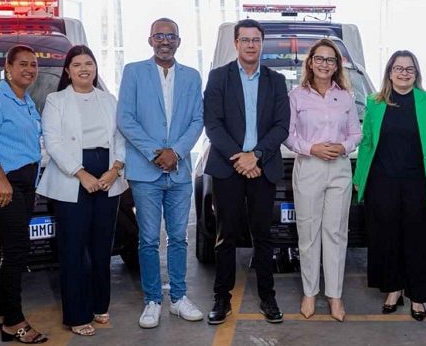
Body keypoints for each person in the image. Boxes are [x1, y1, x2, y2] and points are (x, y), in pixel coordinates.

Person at [117, 18, 204, 328]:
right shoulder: (134, 72)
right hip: (146, 171)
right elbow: (125, 119)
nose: (165, 41)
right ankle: (152, 300)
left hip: (179, 172)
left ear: (178, 41)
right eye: (159, 36)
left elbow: (197, 120)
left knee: (179, 238)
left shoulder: (192, 76)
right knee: (149, 239)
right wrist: (156, 153)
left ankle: (179, 298)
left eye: (171, 36)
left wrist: (175, 152)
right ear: (150, 39)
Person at [36, 45, 128, 336]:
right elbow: (53, 142)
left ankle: (100, 305)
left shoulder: (108, 99)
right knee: (74, 248)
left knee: (102, 246)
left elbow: (121, 137)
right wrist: (81, 173)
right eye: (77, 65)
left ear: (95, 68)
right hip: (72, 176)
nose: (84, 69)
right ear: (68, 70)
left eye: (89, 63)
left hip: (108, 174)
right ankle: (77, 315)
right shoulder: (56, 101)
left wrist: (115, 169)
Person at [352, 50, 426, 322]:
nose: (404, 73)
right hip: (382, 182)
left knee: (420, 240)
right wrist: (359, 178)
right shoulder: (375, 102)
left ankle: (418, 295)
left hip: (420, 183)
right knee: (386, 238)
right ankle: (393, 289)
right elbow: (367, 143)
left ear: (416, 73)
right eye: (398, 68)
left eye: (409, 69)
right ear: (390, 72)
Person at [203, 18, 290, 325]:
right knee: (225, 235)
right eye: (245, 39)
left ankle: (268, 297)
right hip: (228, 168)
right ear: (236, 43)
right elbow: (212, 123)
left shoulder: (276, 80)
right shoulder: (219, 77)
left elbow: (282, 125)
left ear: (261, 44)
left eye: (256, 40)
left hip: (262, 167)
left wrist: (256, 156)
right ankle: (221, 298)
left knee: (263, 236)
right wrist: (239, 159)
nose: (251, 45)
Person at [0, 45, 47, 344]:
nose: (29, 69)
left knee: (8, 249)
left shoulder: (27, 102)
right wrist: (1, 179)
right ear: (8, 67)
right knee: (16, 251)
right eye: (23, 64)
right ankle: (14, 323)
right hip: (2, 183)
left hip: (24, 184)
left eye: (33, 65)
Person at [284, 39, 361, 322]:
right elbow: (287, 134)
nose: (325, 64)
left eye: (330, 60)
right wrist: (312, 148)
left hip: (339, 169)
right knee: (308, 232)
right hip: (309, 167)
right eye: (320, 58)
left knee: (336, 233)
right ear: (311, 62)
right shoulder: (296, 96)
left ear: (337, 65)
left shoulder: (346, 97)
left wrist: (343, 146)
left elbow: (356, 134)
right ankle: (309, 292)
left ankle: (334, 295)